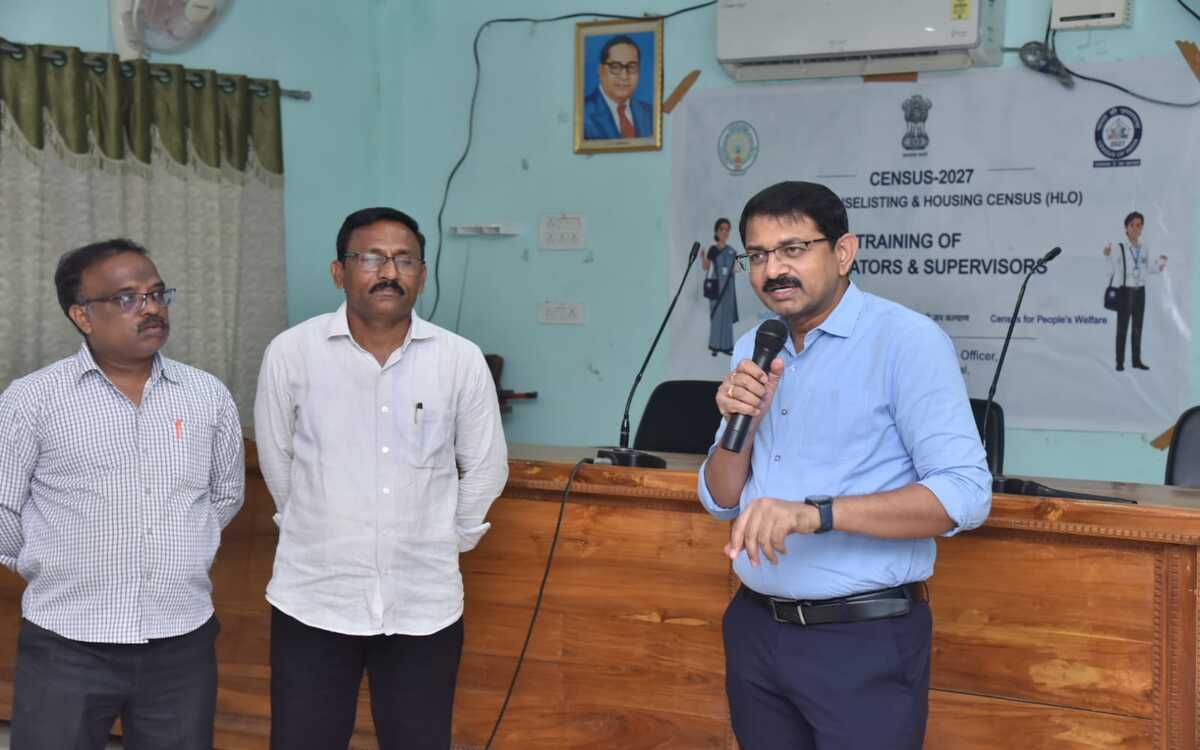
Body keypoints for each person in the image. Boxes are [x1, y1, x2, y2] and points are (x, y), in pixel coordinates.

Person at [698, 182, 991, 749]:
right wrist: (743, 428)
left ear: (844, 252)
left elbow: (965, 494)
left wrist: (815, 515)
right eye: (757, 256)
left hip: (863, 639)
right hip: (756, 627)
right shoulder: (753, 345)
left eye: (792, 249)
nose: (772, 269)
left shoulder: (906, 342)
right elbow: (721, 498)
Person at [254, 207, 509, 750]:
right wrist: (313, 527)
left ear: (421, 272)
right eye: (370, 257)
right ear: (338, 271)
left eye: (404, 259)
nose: (388, 271)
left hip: (424, 602)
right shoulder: (291, 354)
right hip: (315, 597)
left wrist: (450, 537)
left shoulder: (459, 360)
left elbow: (486, 465)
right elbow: (277, 462)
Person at [0, 239, 244, 749]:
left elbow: (223, 497)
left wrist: (178, 547)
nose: (151, 307)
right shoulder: (31, 401)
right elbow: (3, 508)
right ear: (82, 316)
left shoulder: (207, 396)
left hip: (182, 640)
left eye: (157, 293)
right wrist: (53, 564)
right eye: (128, 298)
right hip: (68, 643)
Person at [1104, 210, 1167, 371]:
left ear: (1142, 228)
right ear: (1126, 227)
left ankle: (1136, 360)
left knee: (1138, 327)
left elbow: (1148, 268)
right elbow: (1111, 269)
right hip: (1126, 291)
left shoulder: (1144, 248)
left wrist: (1160, 263)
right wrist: (1107, 256)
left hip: (1140, 292)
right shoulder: (1120, 248)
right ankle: (1119, 362)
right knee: (1122, 328)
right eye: (1132, 225)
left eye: (1139, 225)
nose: (1136, 228)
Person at [582, 34, 654, 140]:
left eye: (632, 66)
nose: (624, 76)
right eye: (615, 67)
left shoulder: (650, 113)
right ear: (600, 70)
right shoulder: (582, 113)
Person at [703, 217, 739, 356]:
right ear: (716, 231)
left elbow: (740, 268)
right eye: (722, 229)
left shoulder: (732, 251)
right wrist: (703, 258)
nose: (724, 232)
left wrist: (749, 258)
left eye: (727, 229)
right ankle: (715, 346)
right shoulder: (712, 249)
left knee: (726, 317)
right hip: (716, 287)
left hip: (728, 289)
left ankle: (727, 346)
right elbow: (706, 267)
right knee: (717, 316)